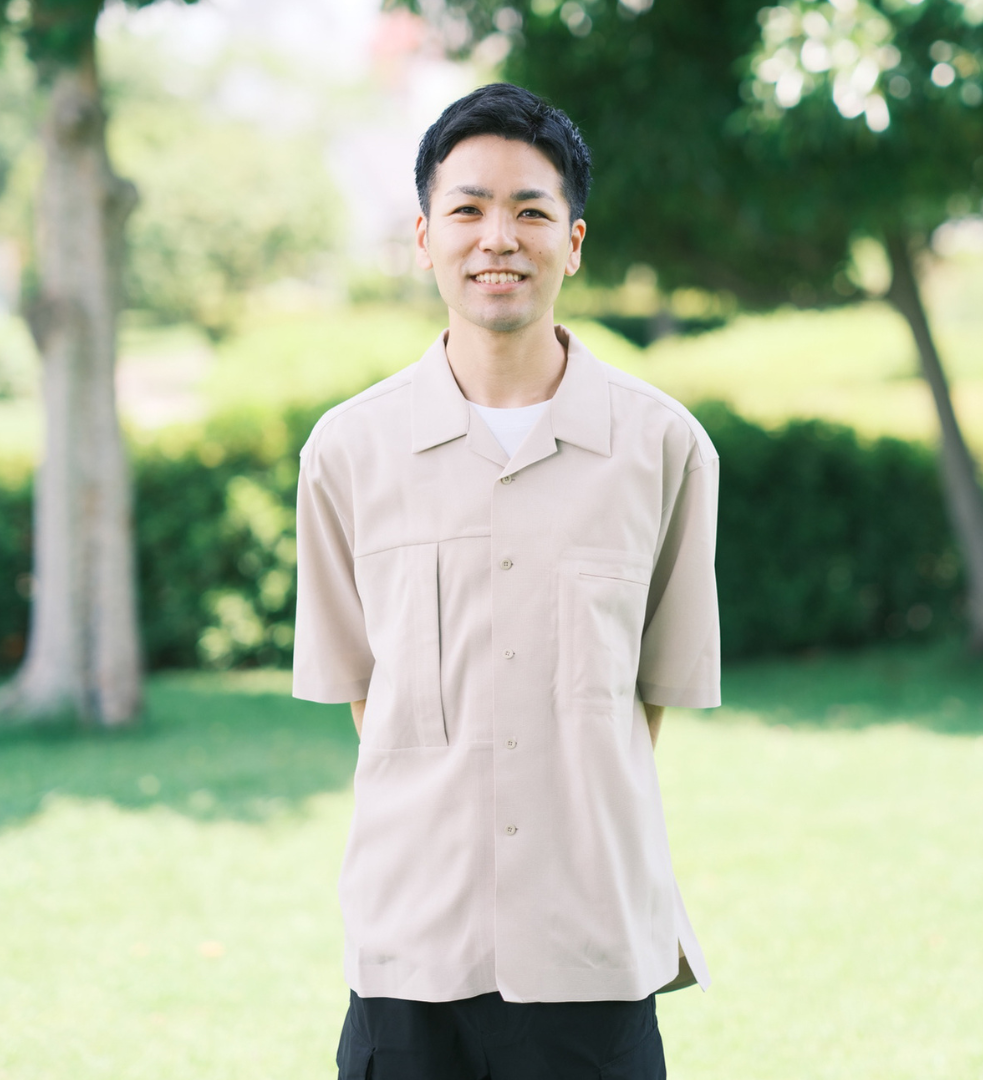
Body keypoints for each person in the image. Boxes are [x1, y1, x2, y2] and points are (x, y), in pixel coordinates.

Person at [293, 82, 720, 1080]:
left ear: (574, 241)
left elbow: (645, 701)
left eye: (531, 210)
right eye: (468, 209)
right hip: (409, 955)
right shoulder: (347, 452)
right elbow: (369, 699)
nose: (499, 238)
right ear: (423, 237)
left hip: (592, 955)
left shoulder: (664, 448)